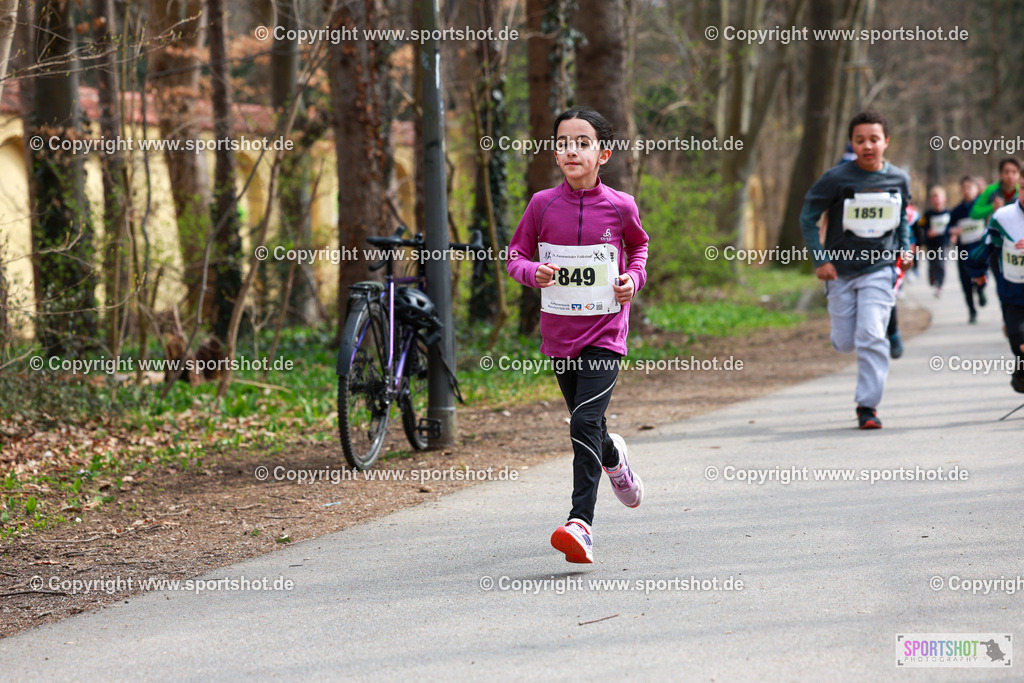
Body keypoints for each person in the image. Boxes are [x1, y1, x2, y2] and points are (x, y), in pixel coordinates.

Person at [506, 106, 649, 564]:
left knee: (582, 422)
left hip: (606, 332)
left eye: (583, 143)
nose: (572, 150)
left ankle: (580, 524)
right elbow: (515, 256)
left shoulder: (621, 205)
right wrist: (532, 273)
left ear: (602, 154)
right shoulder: (541, 204)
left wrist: (633, 279)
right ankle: (614, 459)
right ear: (555, 152)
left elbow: (639, 247)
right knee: (589, 424)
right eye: (564, 143)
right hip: (560, 335)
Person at [799, 110, 913, 429]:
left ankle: (867, 406)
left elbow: (902, 218)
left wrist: (904, 249)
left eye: (874, 139)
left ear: (886, 141)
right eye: (860, 140)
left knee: (871, 334)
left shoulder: (898, 179)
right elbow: (807, 217)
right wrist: (820, 259)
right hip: (841, 271)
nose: (868, 146)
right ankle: (861, 332)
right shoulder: (836, 179)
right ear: (851, 143)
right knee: (846, 341)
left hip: (881, 268)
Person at [965, 190, 1024, 393]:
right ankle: (1021, 375)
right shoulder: (1003, 218)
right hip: (1013, 295)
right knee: (1021, 346)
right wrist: (977, 270)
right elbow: (985, 246)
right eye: (1023, 187)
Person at [948, 176, 987, 323]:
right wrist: (952, 232)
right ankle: (972, 310)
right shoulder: (956, 211)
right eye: (964, 188)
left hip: (980, 250)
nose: (967, 191)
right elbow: (948, 228)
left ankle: (981, 289)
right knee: (965, 282)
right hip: (963, 251)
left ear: (976, 190)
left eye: (970, 188)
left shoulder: (982, 207)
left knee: (981, 274)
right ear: (960, 190)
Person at [916, 186, 953, 297]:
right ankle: (932, 277)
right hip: (931, 243)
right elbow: (921, 226)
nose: (937, 200)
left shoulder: (948, 213)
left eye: (939, 198)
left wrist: (952, 235)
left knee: (940, 263)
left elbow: (952, 226)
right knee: (932, 263)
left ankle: (940, 285)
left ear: (944, 199)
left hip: (943, 243)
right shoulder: (928, 214)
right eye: (934, 198)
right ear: (931, 200)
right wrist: (927, 232)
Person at [971, 157, 1020, 224]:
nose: (1010, 176)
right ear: (1000, 174)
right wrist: (992, 207)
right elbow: (974, 213)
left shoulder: (1021, 191)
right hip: (994, 228)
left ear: (1019, 174)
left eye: (1014, 172)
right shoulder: (990, 190)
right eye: (1006, 172)